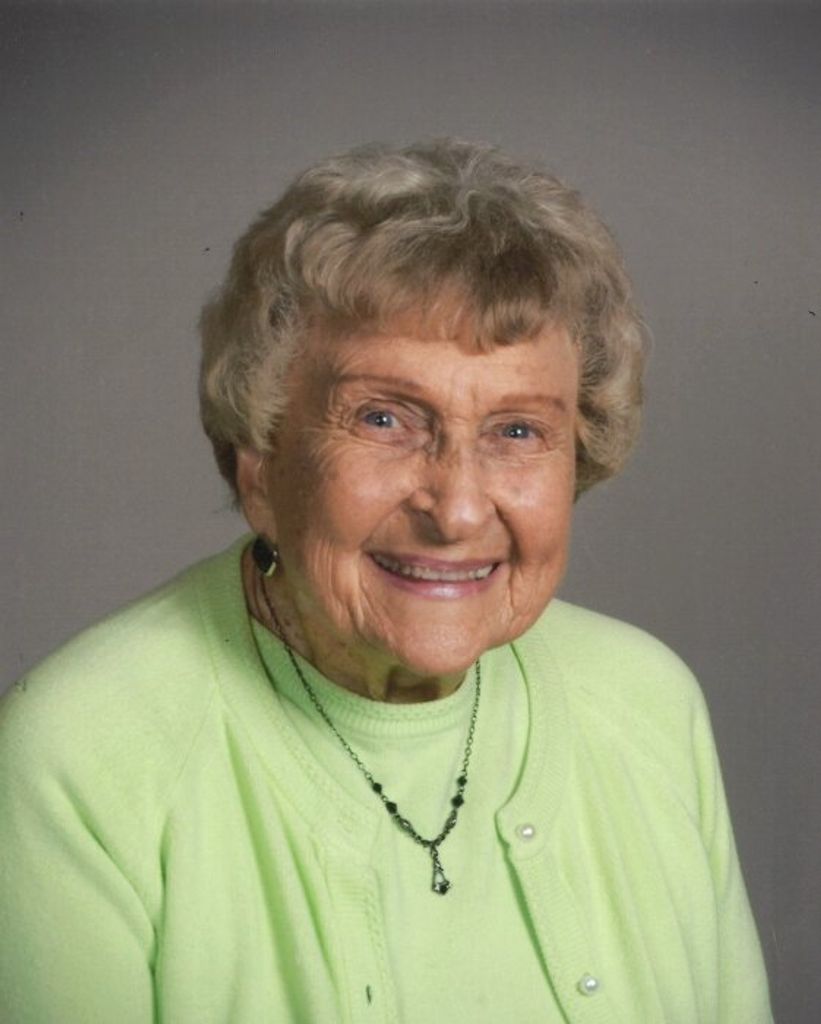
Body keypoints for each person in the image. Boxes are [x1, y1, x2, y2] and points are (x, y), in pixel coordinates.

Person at [0, 139, 772, 1023]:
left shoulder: (645, 702)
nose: (458, 508)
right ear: (260, 463)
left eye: (518, 431)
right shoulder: (80, 756)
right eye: (383, 419)